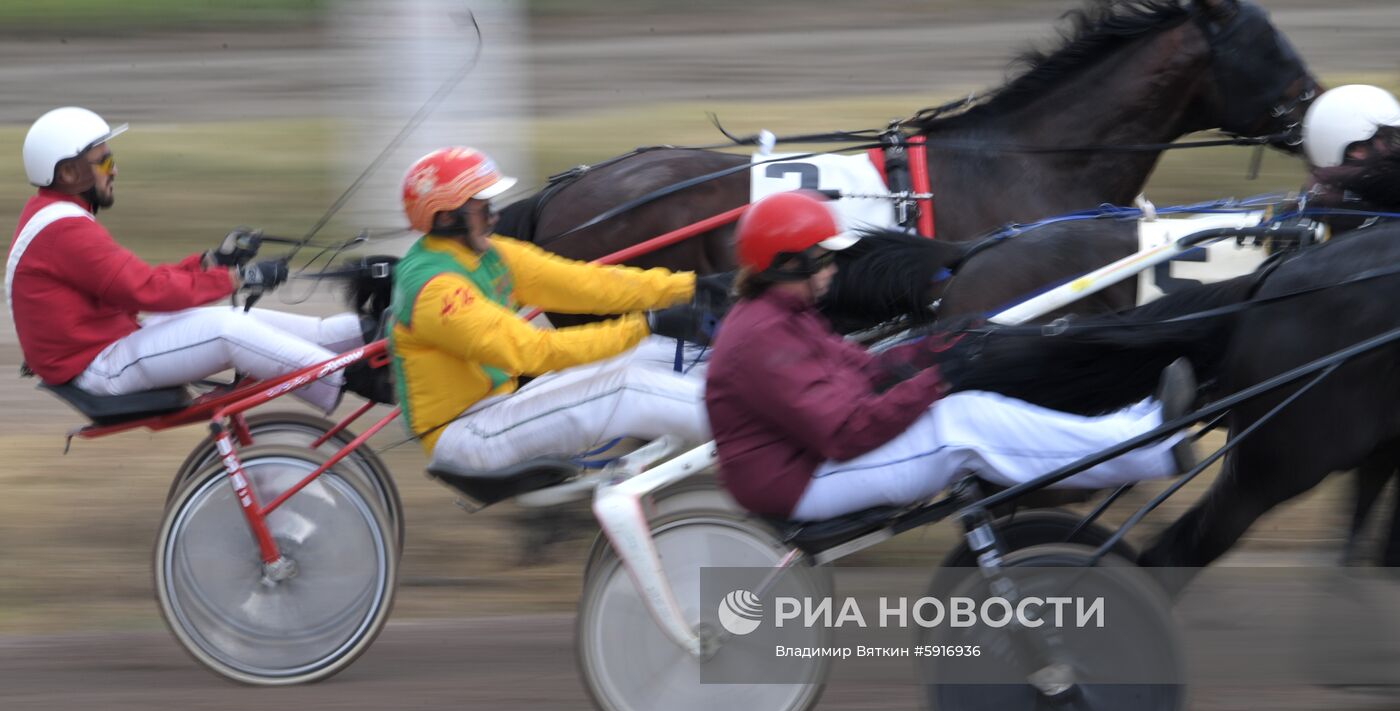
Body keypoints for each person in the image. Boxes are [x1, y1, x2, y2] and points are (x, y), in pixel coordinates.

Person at [704, 190, 1197, 522]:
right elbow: (844, 432)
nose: (834, 267)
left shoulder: (783, 312)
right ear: (787, 262)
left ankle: (1128, 428)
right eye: (824, 256)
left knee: (966, 399)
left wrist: (939, 345)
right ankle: (1147, 448)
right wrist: (937, 380)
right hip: (795, 482)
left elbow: (863, 368)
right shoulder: (763, 336)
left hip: (808, 460)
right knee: (960, 425)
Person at [6, 106, 367, 413]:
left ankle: (365, 336)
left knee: (236, 319)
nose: (114, 170)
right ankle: (349, 377)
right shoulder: (64, 230)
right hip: (97, 368)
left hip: (106, 349)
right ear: (69, 173)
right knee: (228, 331)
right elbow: (146, 290)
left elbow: (137, 282)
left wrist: (213, 262)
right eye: (104, 162)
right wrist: (238, 278)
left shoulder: (55, 218)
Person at [390, 146, 730, 470]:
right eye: (482, 207)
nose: (493, 216)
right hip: (466, 436)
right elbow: (534, 352)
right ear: (448, 217)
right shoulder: (437, 291)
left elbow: (586, 284)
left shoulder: (488, 254)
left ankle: (746, 397)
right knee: (627, 388)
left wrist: (689, 287)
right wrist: (647, 323)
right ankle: (754, 432)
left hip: (500, 406)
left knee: (654, 352)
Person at [1302, 84, 1400, 211]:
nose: (1392, 146)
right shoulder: (1383, 187)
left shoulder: (1322, 191)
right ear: (1357, 150)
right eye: (1384, 137)